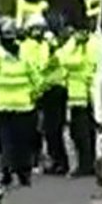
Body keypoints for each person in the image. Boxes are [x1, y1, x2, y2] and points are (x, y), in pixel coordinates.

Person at [0, 19, 41, 187]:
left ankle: (7, 172)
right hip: (24, 105)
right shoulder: (25, 52)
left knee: (5, 141)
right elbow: (36, 79)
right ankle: (24, 174)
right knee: (23, 142)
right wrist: (34, 96)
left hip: (2, 105)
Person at [21, 16, 69, 175]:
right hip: (47, 90)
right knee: (48, 129)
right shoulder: (37, 45)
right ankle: (55, 160)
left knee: (52, 129)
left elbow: (38, 69)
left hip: (51, 90)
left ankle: (59, 162)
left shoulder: (44, 45)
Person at [59, 24, 99, 177]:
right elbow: (63, 59)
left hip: (82, 96)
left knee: (82, 135)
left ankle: (86, 165)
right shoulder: (89, 42)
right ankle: (89, 163)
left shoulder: (90, 44)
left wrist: (74, 44)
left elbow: (69, 61)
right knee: (83, 134)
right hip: (83, 96)